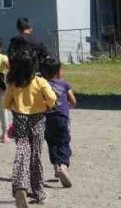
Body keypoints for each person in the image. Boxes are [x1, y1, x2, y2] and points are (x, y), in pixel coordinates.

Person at [2, 48, 57, 208]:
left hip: (19, 119)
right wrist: (47, 105)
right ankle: (39, 192)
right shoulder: (40, 82)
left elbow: (6, 103)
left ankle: (20, 187)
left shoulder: (13, 83)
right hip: (38, 119)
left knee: (22, 153)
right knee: (35, 156)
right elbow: (52, 98)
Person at [40, 56, 77, 189]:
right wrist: (66, 107)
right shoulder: (65, 84)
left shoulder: (41, 84)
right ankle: (63, 166)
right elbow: (73, 101)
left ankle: (56, 166)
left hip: (46, 119)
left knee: (51, 142)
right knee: (63, 142)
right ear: (58, 72)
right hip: (62, 118)